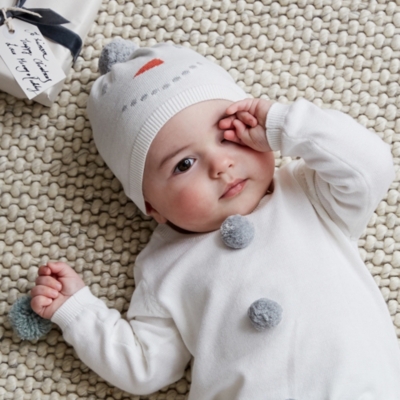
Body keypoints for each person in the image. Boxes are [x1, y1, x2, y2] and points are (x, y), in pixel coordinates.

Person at [30, 41, 400, 399]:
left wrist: (282, 124)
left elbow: (372, 166)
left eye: (229, 134)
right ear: (150, 207)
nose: (220, 165)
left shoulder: (308, 192)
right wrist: (78, 312)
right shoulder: (162, 268)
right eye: (184, 164)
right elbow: (145, 366)